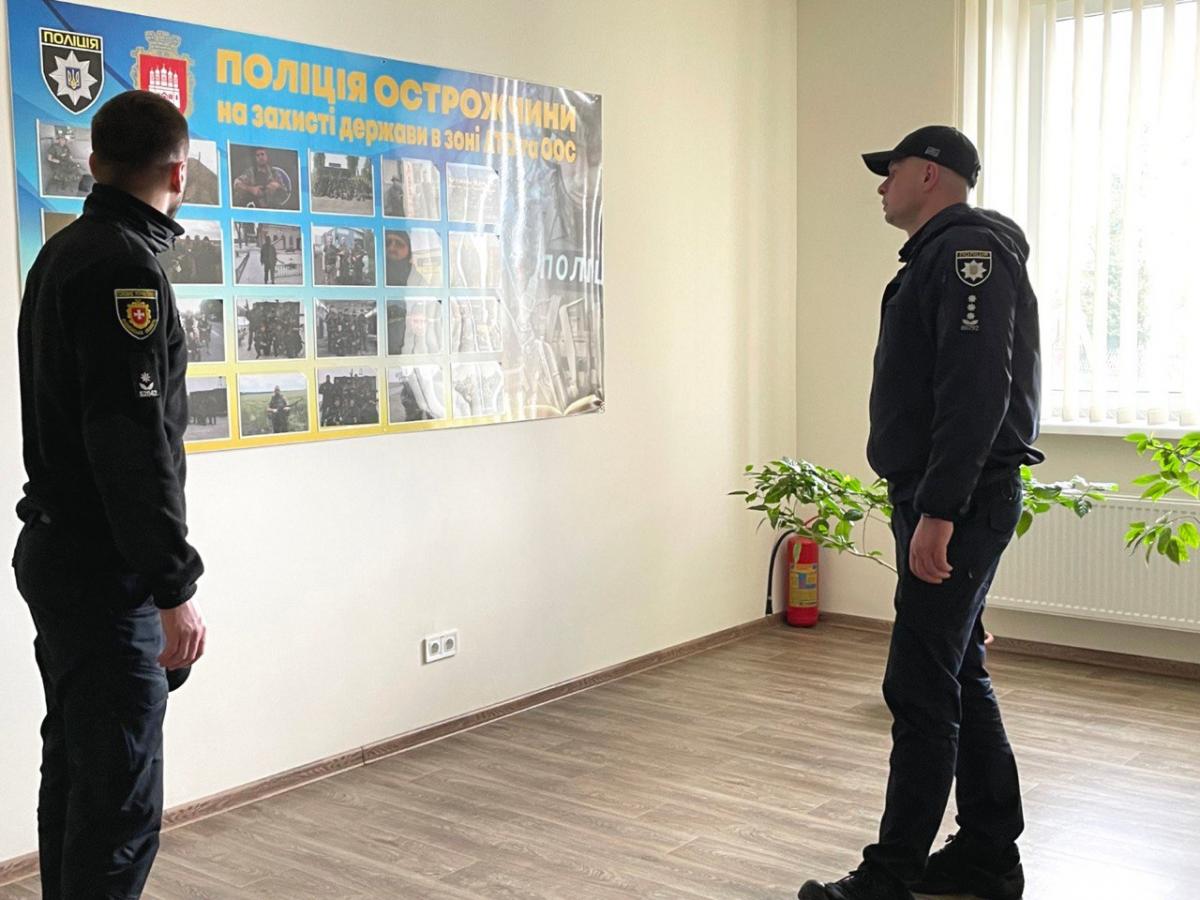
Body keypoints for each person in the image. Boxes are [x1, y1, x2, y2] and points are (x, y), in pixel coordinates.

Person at [798, 126, 1042, 900]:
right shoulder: (939, 257)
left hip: (955, 502)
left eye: (891, 170)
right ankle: (987, 855)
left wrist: (940, 509)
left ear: (931, 175)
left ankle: (891, 875)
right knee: (957, 672)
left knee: (919, 686)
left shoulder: (969, 253)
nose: (881, 185)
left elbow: (976, 391)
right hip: (943, 497)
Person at [14, 90, 207, 899]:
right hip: (104, 573)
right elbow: (129, 444)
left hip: (58, 554)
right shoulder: (126, 268)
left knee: (78, 776)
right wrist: (174, 586)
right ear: (178, 173)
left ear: (94, 163)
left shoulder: (63, 254)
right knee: (119, 803)